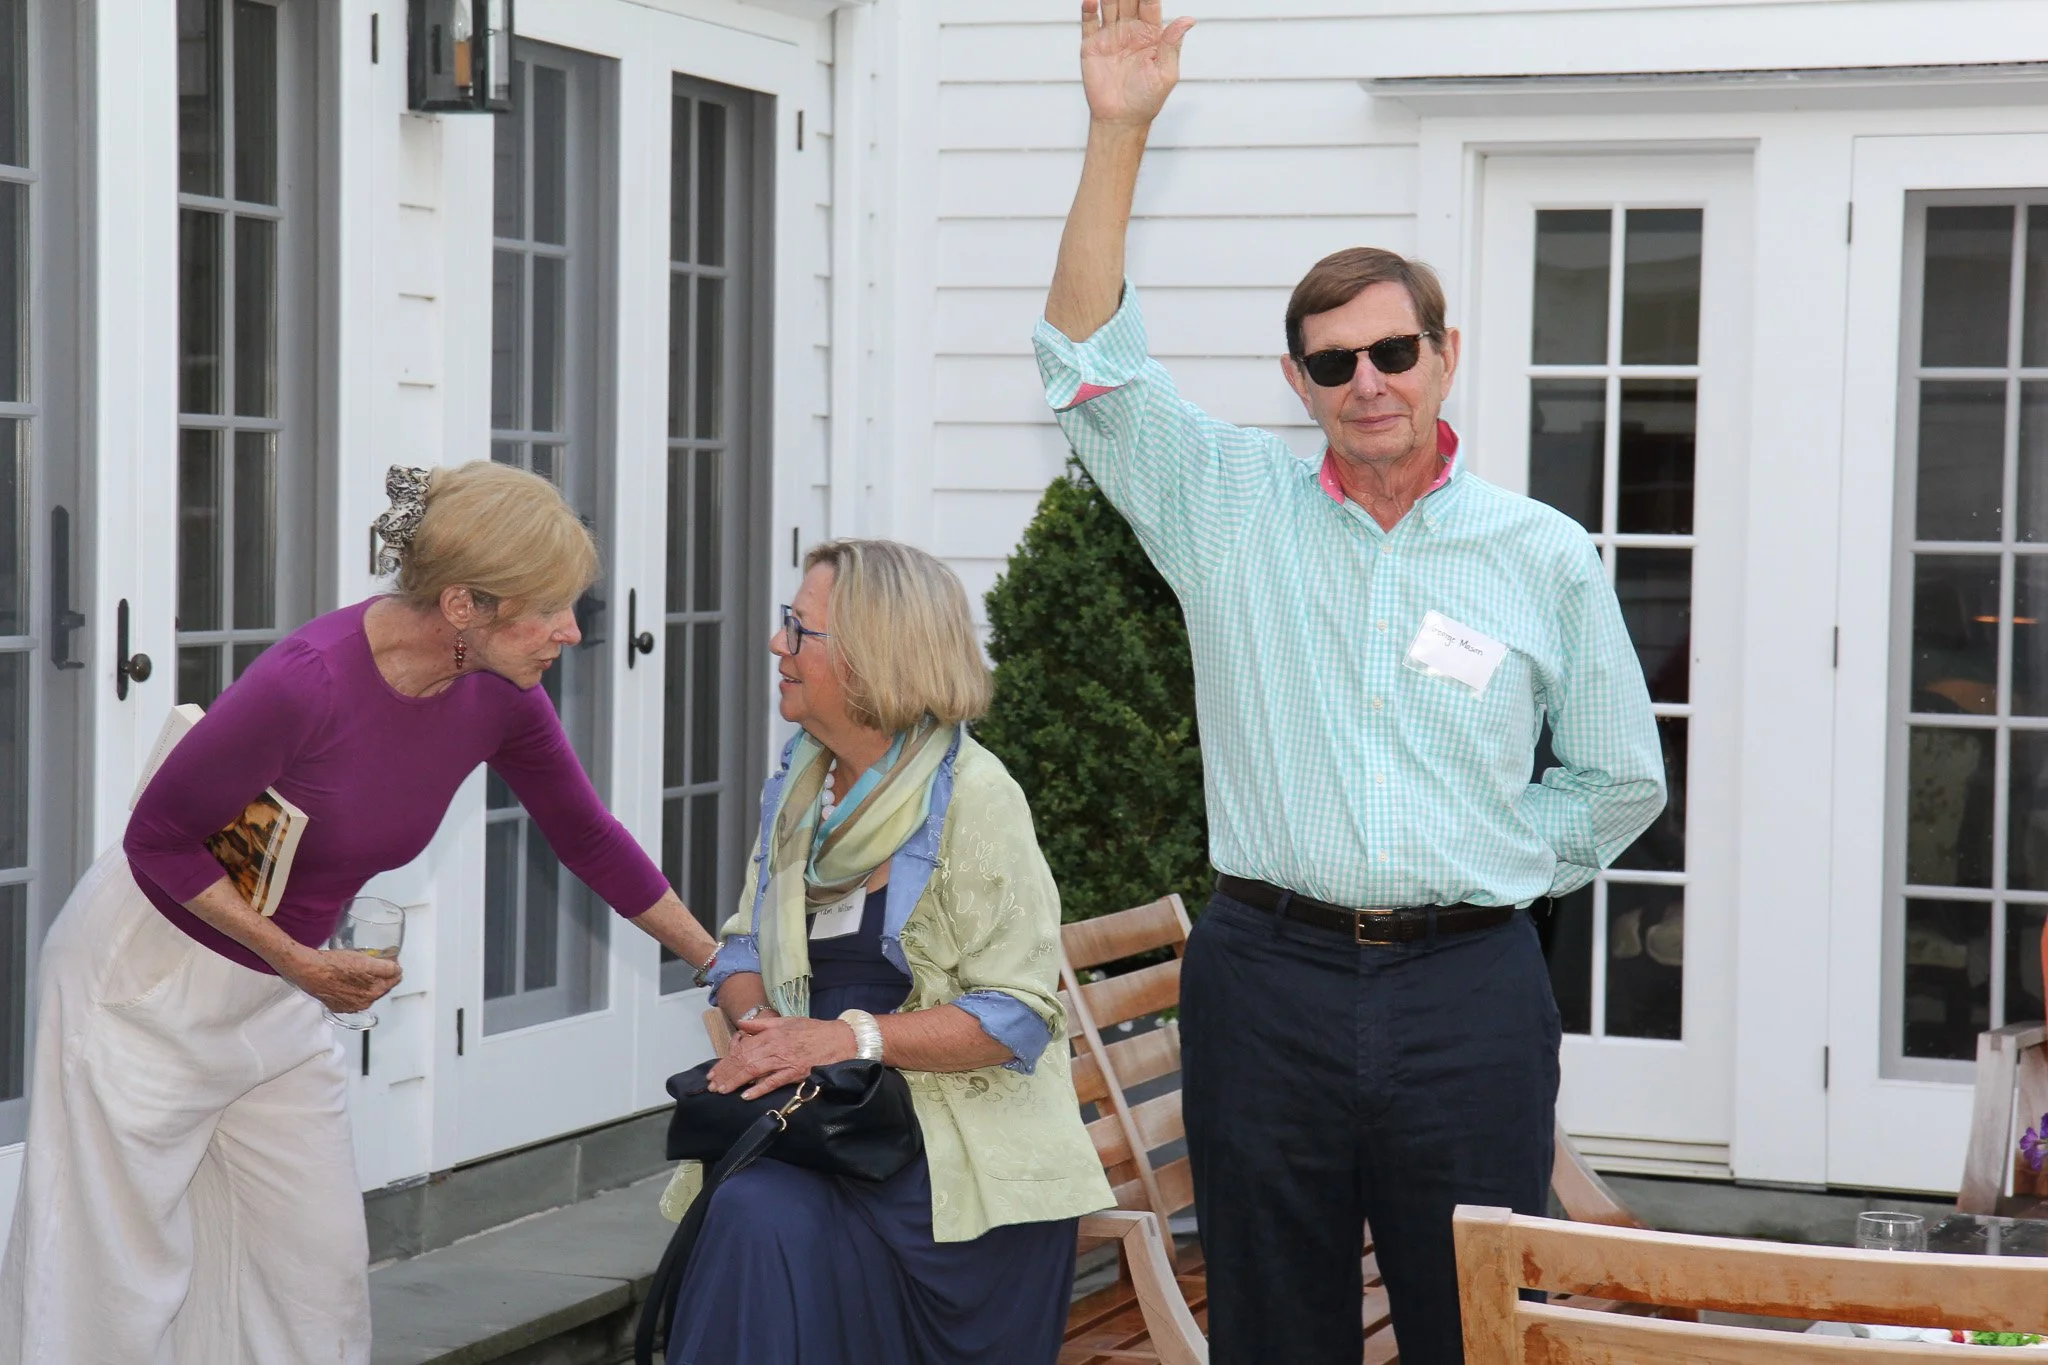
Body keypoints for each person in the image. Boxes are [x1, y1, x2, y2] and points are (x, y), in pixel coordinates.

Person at [1030, 3, 1667, 1361]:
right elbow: (1088, 370)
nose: (1366, 380)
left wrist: (1499, 855)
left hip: (1469, 990)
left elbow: (1619, 776)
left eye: (1392, 350)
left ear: (1443, 353)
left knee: (1472, 1324)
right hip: (1268, 980)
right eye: (1333, 361)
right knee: (1275, 1324)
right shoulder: (1225, 506)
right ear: (1299, 380)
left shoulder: (1540, 551)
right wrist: (1117, 131)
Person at [0, 462, 724, 1364]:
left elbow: (587, 835)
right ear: (465, 605)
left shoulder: (502, 697)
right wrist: (299, 961)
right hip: (146, 982)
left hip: (276, 997)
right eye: (551, 608)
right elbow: (158, 840)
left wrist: (717, 963)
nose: (572, 633)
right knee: (110, 1283)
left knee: (312, 1277)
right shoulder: (309, 681)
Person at [665, 539, 1112, 1365]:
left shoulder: (976, 796)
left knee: (755, 1214)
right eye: (785, 625)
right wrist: (766, 1028)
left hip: (951, 1164)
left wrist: (844, 1038)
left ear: (874, 656)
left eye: (801, 630)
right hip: (821, 1126)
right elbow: (737, 948)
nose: (777, 645)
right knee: (749, 1209)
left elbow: (1015, 1014)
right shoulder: (797, 786)